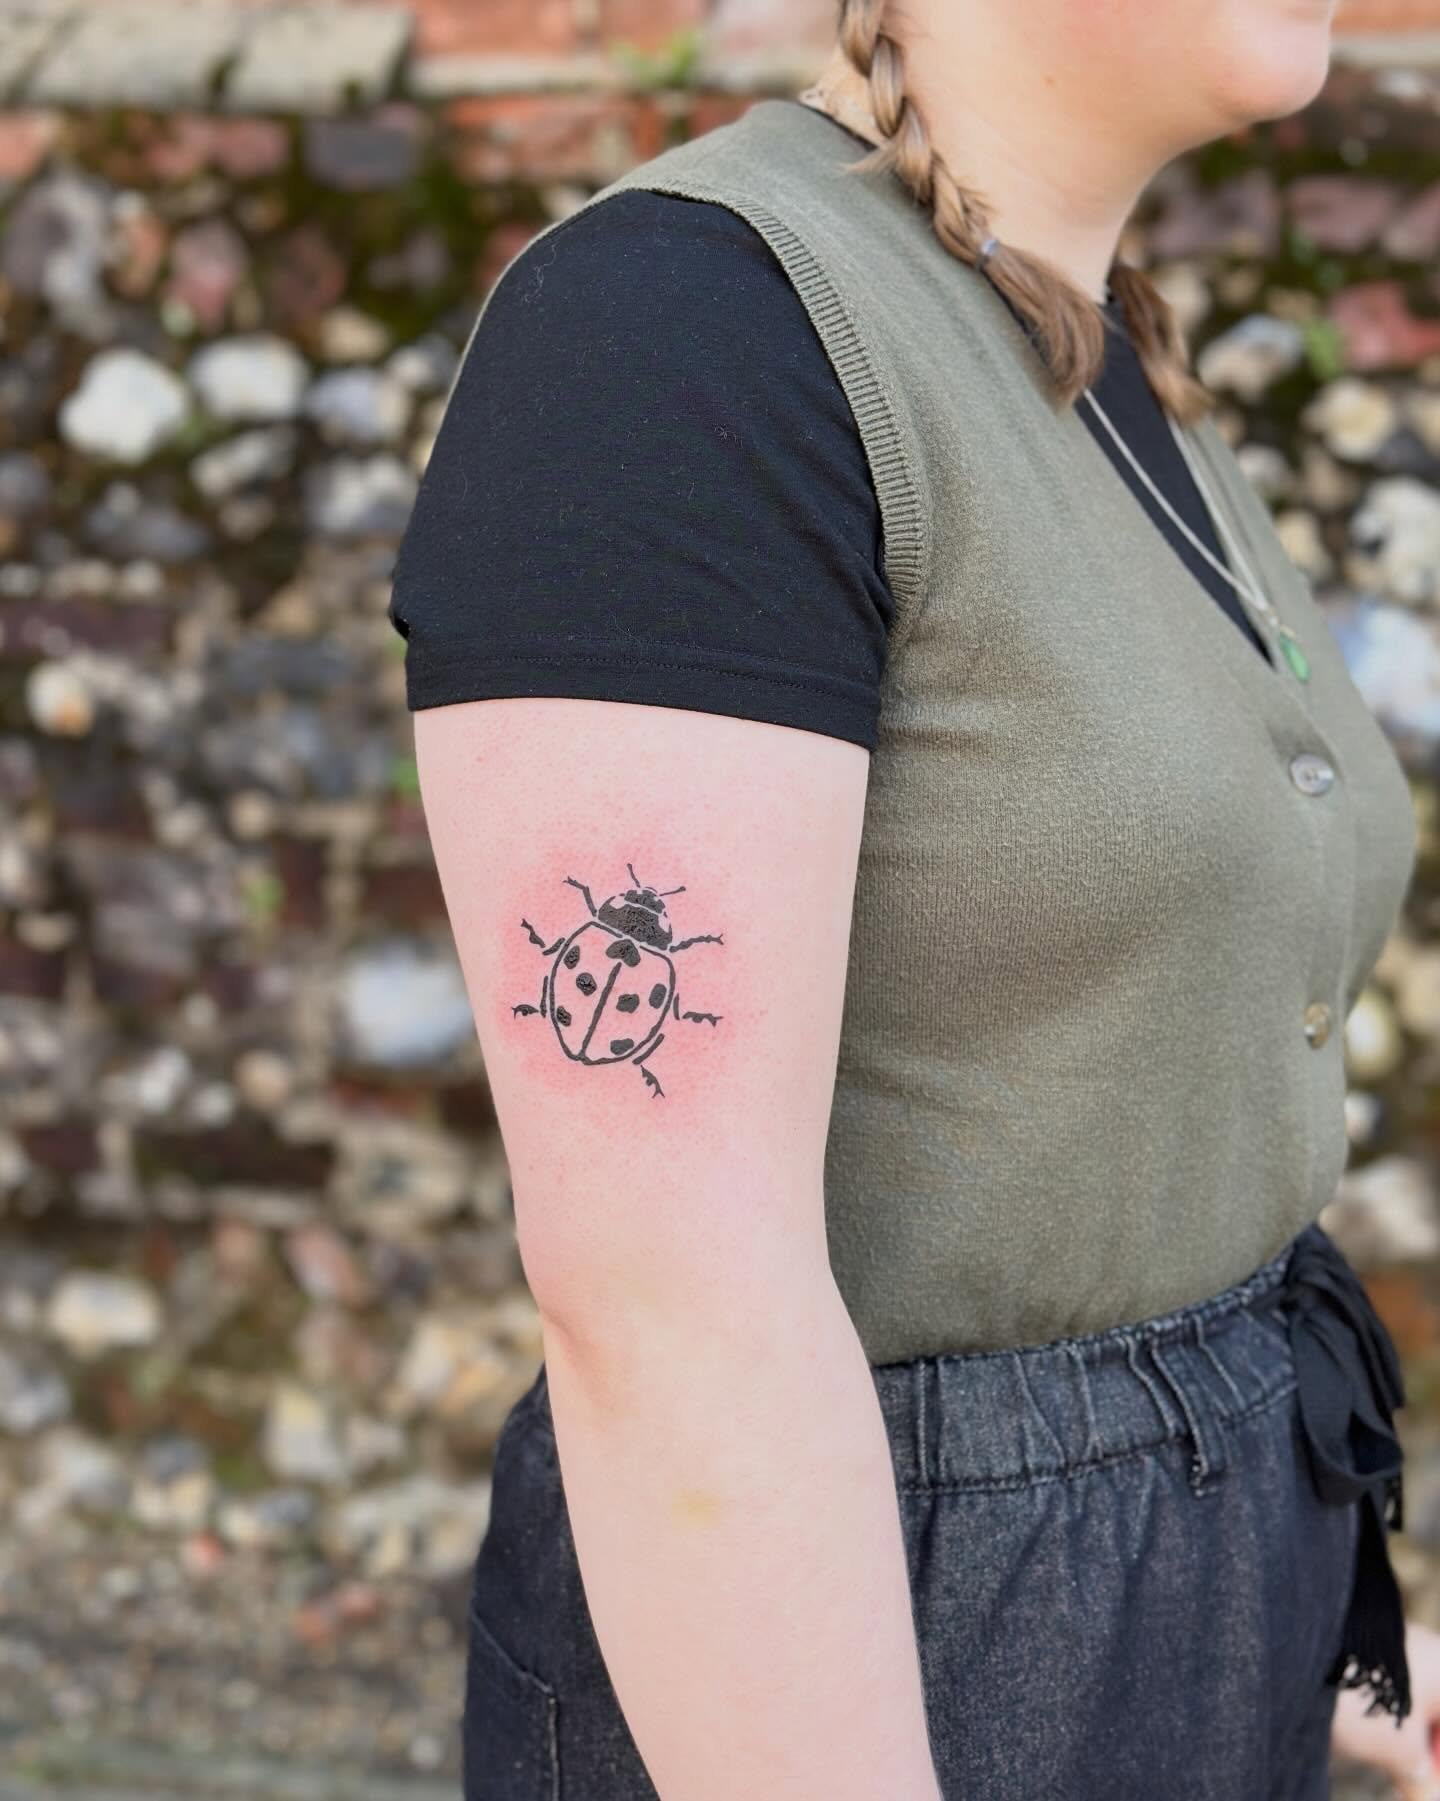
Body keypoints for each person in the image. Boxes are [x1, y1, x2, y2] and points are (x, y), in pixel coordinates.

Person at [389, 3, 1440, 1796]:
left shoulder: (1103, 359)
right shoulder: (681, 334)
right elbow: (669, 1305)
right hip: (867, 1657)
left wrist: (1300, 1637)